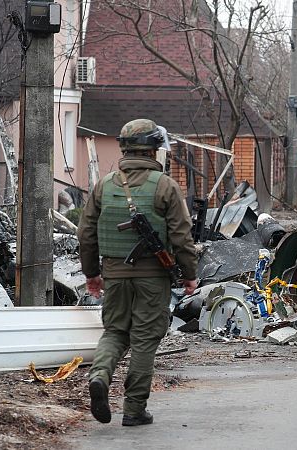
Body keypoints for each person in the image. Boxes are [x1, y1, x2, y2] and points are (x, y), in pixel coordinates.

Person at [78, 119, 198, 427]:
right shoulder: (165, 186)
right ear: (154, 150)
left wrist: (92, 273)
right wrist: (189, 274)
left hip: (114, 275)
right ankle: (133, 409)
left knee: (115, 332)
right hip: (153, 277)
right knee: (144, 338)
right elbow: (182, 237)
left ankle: (100, 377)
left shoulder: (103, 185)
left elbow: (86, 234)